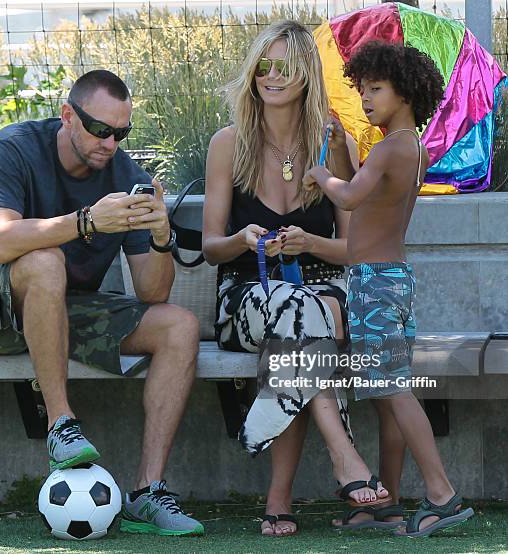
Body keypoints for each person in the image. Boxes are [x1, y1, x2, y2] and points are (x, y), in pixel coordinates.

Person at [0, 70, 204, 537]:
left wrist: (162, 235)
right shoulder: (13, 148)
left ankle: (148, 491)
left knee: (178, 326)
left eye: (122, 133)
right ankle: (62, 425)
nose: (111, 144)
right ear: (68, 116)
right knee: (44, 262)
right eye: (101, 130)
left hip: (60, 310)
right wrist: (88, 222)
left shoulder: (127, 178)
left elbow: (152, 293)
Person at [202, 20, 390, 537]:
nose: (271, 75)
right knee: (304, 318)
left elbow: (353, 250)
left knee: (304, 324)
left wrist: (307, 244)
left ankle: (279, 497)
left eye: (285, 66)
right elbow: (210, 247)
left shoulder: (334, 143)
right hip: (248, 293)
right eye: (264, 64)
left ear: (307, 74)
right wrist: (244, 241)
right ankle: (345, 461)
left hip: (323, 286)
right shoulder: (228, 144)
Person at [304, 41, 474, 537]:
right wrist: (339, 154)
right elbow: (367, 187)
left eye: (375, 89)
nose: (365, 100)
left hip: (373, 283)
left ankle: (441, 494)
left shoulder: (390, 147)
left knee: (396, 391)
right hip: (391, 278)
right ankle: (392, 501)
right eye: (361, 91)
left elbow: (352, 197)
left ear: (405, 92)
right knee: (389, 390)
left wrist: (320, 174)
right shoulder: (411, 147)